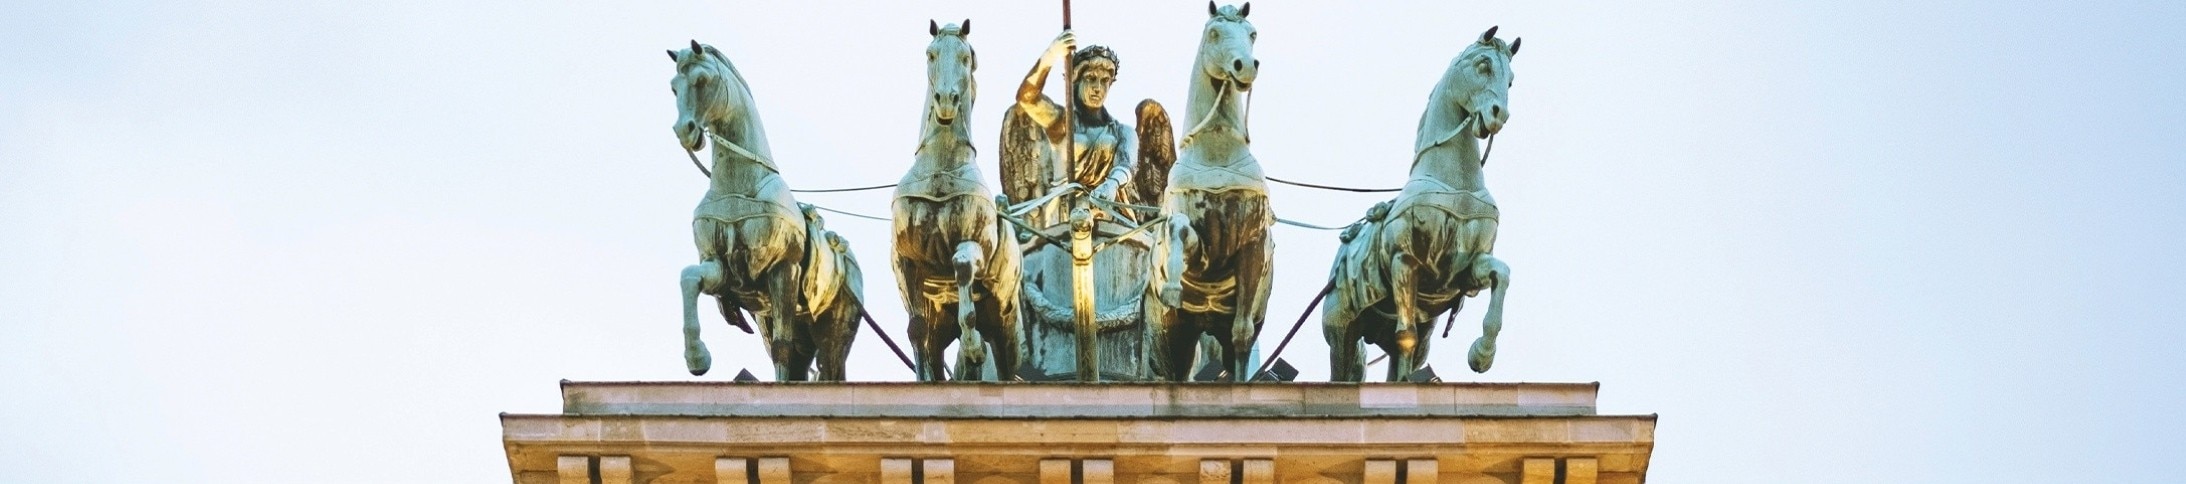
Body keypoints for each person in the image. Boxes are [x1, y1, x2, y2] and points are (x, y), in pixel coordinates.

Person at [1013, 31, 1135, 204]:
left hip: (1106, 209)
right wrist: (1051, 54)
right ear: (1076, 81)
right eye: (1091, 78)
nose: (1098, 88)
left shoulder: (1122, 132)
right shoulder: (1062, 122)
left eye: (1105, 81)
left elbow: (1126, 165)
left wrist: (1112, 184)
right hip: (1064, 209)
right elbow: (1027, 98)